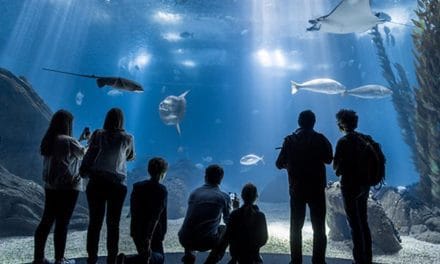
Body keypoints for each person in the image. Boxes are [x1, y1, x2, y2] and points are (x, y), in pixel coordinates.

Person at [276, 110, 333, 264]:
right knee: (319, 228)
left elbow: (278, 163)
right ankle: (318, 261)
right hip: (316, 189)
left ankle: (296, 261)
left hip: (296, 189)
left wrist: (289, 163)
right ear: (314, 122)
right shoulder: (320, 139)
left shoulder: (289, 140)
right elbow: (329, 159)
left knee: (295, 227)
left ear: (299, 122)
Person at [34, 110, 85, 264]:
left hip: (51, 187)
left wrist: (80, 139)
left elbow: (66, 152)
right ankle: (59, 259)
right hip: (68, 188)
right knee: (63, 223)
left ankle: (39, 258)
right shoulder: (69, 141)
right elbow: (83, 154)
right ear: (67, 124)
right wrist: (88, 143)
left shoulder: (49, 140)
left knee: (46, 221)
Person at [85, 108, 135, 264]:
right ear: (122, 121)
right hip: (116, 185)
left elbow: (90, 153)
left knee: (94, 223)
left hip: (96, 182)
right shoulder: (127, 138)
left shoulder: (98, 134)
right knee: (113, 224)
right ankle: (111, 259)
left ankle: (91, 258)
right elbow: (130, 156)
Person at [333, 109, 372, 264]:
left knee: (354, 223)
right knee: (363, 220)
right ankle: (367, 258)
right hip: (364, 185)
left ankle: (358, 260)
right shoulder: (366, 139)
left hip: (349, 186)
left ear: (342, 124)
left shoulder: (343, 142)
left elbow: (336, 168)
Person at [117, 157, 168, 264]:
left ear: (149, 170)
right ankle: (126, 261)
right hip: (153, 233)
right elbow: (156, 216)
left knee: (145, 257)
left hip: (137, 230)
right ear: (163, 173)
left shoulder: (137, 187)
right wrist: (149, 237)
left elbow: (133, 209)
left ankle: (125, 261)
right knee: (158, 258)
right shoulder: (161, 190)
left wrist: (134, 230)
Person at [178, 164, 231, 264]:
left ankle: (189, 256)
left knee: (193, 223)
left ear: (205, 177)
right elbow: (229, 221)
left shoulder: (194, 193)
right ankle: (211, 261)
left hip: (184, 239)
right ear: (221, 179)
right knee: (225, 229)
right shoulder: (224, 197)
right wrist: (233, 208)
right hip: (205, 242)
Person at [224, 183, 268, 264]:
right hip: (253, 254)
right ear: (256, 197)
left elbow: (229, 235)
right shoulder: (260, 215)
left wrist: (235, 209)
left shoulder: (234, 214)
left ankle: (233, 259)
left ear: (242, 196)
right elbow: (264, 239)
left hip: (237, 253)